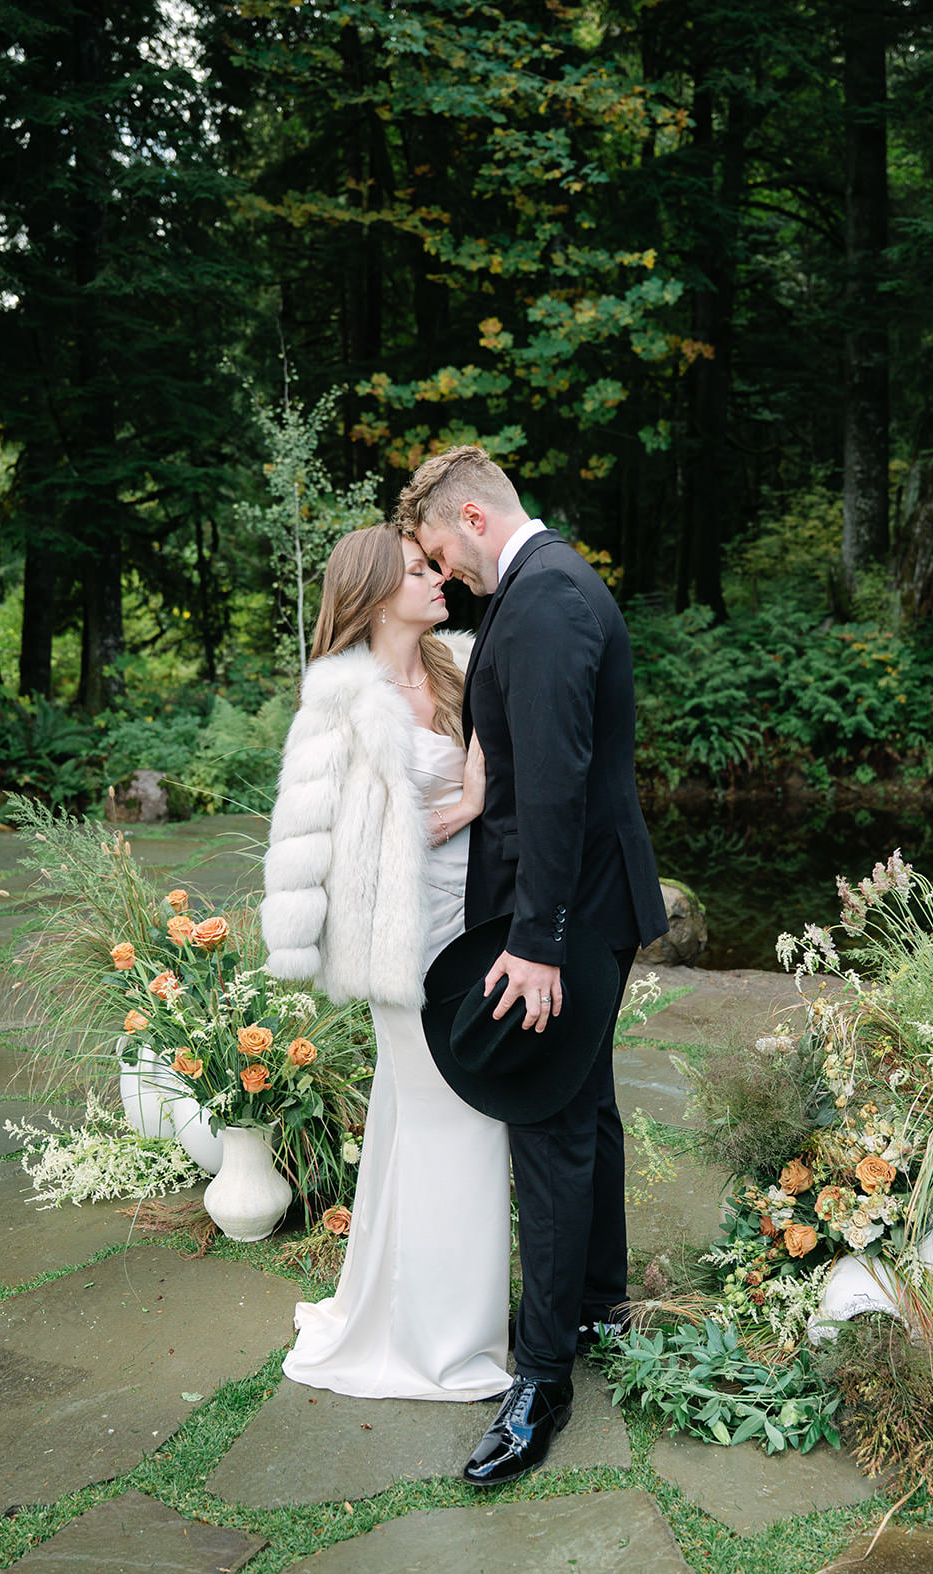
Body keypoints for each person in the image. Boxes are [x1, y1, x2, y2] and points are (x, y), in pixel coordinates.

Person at [397, 446, 667, 1484]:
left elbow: (555, 783)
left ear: (470, 516)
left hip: (565, 914)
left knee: (547, 1125)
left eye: (437, 555)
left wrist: (534, 941)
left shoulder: (547, 598)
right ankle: (598, 1309)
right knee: (583, 1106)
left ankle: (540, 1377)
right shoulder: (541, 584)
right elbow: (519, 757)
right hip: (586, 903)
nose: (444, 576)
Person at [260, 522, 511, 1402]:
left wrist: (478, 787)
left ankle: (397, 1310)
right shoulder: (340, 697)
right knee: (466, 1121)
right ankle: (448, 1348)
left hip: (476, 923)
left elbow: (509, 764)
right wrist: (298, 947)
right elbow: (307, 829)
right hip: (401, 943)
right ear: (372, 593)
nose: (439, 578)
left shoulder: (461, 667)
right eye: (418, 570)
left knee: (415, 1125)